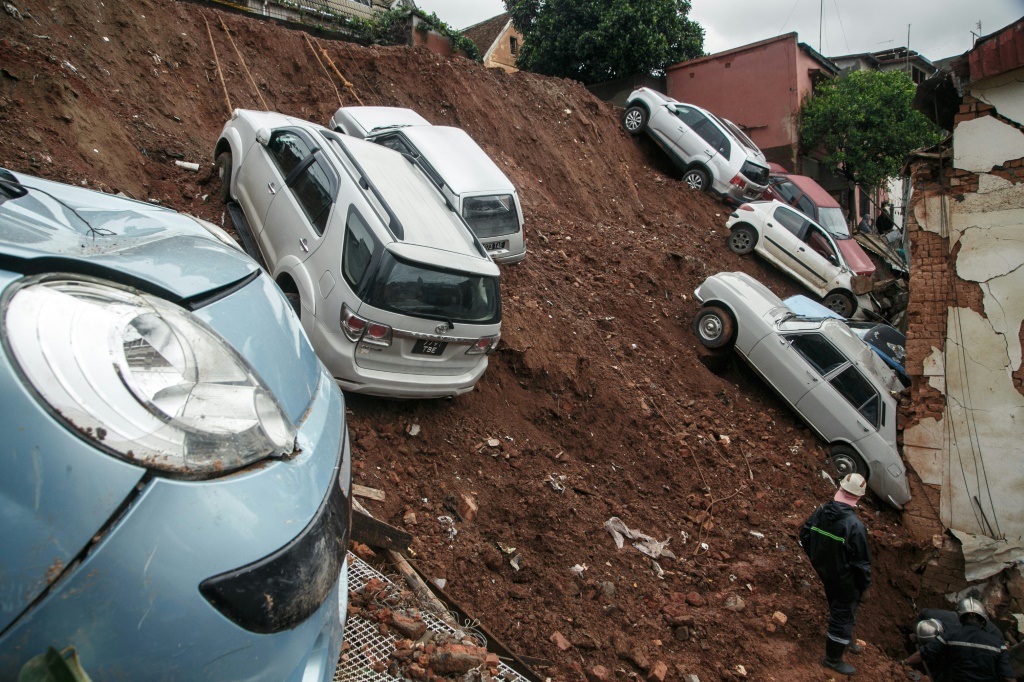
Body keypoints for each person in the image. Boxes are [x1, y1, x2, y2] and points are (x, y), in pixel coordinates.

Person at [800, 473, 872, 675]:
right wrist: (865, 587)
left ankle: (846, 640)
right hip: (846, 582)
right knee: (843, 616)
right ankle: (832, 659)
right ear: (858, 497)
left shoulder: (822, 511)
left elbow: (805, 534)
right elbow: (861, 563)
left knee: (839, 609)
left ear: (840, 488)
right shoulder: (854, 526)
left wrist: (818, 559)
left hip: (827, 574)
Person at [903, 596, 1015, 681]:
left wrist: (904, 663)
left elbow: (923, 653)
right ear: (983, 621)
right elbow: (1007, 676)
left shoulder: (950, 636)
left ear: (960, 618)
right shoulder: (998, 643)